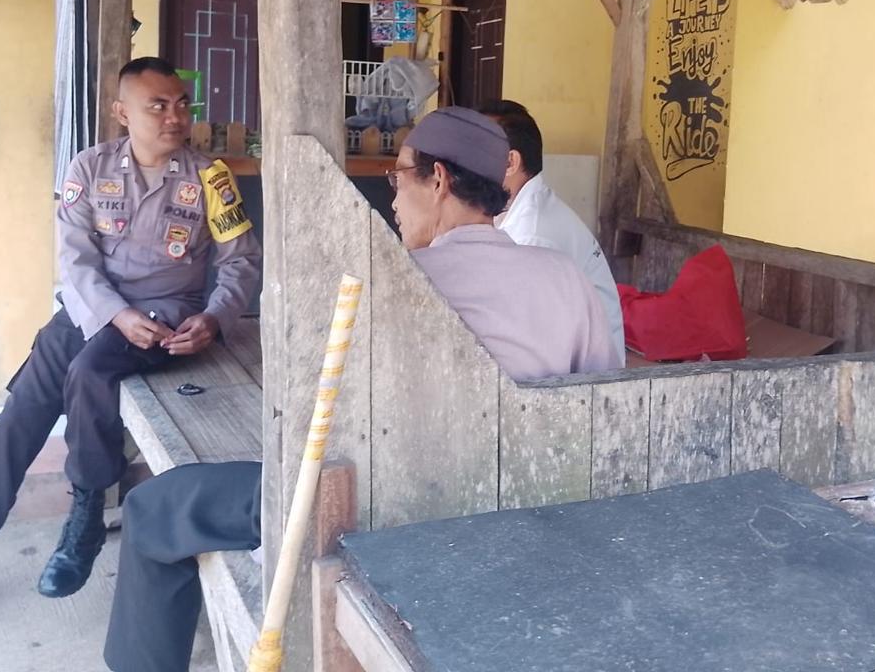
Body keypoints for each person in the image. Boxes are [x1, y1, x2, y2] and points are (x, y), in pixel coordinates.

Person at [101, 106, 612, 672]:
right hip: (529, 514)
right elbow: (599, 405)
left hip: (373, 517)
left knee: (153, 507)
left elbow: (318, 429)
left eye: (399, 177)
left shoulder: (388, 285)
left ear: (439, 180)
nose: (392, 199)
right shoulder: (566, 278)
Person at [0, 57, 262, 638]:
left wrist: (215, 318)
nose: (175, 116)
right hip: (90, 311)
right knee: (20, 415)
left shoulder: (210, 177)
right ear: (122, 112)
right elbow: (75, 262)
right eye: (158, 105)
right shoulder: (90, 168)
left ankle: (86, 514)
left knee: (91, 371)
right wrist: (114, 314)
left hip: (163, 318)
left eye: (182, 104)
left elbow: (240, 261)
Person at [480, 100, 626, 367]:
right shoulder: (516, 211)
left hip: (587, 375)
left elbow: (525, 336)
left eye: (477, 150)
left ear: (510, 162)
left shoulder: (532, 236)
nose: (467, 162)